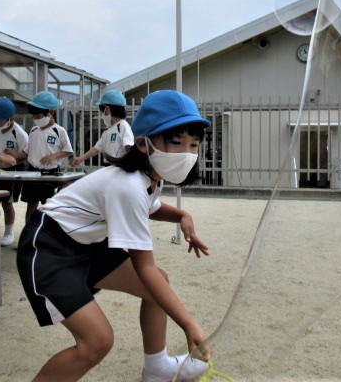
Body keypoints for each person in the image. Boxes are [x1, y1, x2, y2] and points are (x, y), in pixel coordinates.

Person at [16, 90, 212, 382]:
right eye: (176, 142)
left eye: (193, 145)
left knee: (159, 284)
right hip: (49, 247)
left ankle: (157, 368)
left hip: (86, 243)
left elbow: (151, 206)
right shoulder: (128, 186)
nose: (186, 153)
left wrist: (181, 215)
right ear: (143, 144)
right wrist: (188, 323)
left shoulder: (149, 177)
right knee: (97, 341)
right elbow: (144, 268)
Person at [19, 91, 73, 224]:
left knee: (49, 206)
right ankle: (28, 230)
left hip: (50, 174)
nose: (36, 119)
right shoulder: (33, 130)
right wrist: (13, 155)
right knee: (31, 205)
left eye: (38, 116)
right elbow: (27, 151)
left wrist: (53, 156)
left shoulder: (59, 131)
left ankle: (48, 232)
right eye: (34, 116)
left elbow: (68, 151)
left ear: (51, 112)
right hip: (32, 172)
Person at [0, 96, 28, 247]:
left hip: (12, 171)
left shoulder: (19, 133)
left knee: (7, 204)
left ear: (11, 119)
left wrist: (14, 156)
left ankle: (9, 233)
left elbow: (25, 155)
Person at [71, 90, 133, 168]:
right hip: (108, 166)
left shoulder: (123, 126)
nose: (102, 115)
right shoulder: (108, 130)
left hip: (119, 167)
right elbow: (96, 149)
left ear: (107, 109)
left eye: (101, 112)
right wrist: (81, 158)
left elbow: (129, 147)